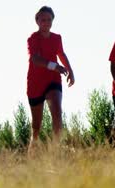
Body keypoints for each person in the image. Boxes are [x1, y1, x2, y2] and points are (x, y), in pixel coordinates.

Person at [26, 6, 75, 153]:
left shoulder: (57, 38)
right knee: (36, 127)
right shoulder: (33, 38)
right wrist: (55, 66)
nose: (46, 22)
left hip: (53, 80)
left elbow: (61, 53)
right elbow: (35, 59)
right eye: (43, 19)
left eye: (49, 19)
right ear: (37, 21)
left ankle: (55, 152)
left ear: (52, 20)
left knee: (57, 111)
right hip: (35, 83)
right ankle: (32, 153)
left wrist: (71, 71)